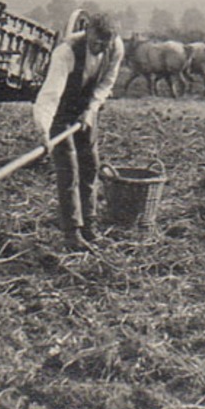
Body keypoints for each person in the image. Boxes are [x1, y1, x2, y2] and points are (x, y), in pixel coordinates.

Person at [32, 13, 125, 251]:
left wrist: (91, 108)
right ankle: (72, 233)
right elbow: (49, 96)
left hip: (86, 111)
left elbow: (107, 83)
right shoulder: (66, 52)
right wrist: (45, 133)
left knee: (90, 166)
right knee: (69, 171)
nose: (99, 47)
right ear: (88, 32)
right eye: (95, 41)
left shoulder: (116, 48)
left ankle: (89, 228)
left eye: (104, 43)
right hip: (60, 112)